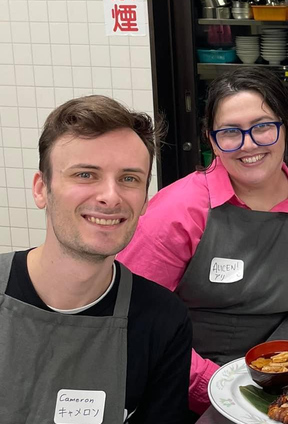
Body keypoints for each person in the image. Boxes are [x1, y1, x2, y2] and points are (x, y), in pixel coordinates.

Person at [118, 66, 288, 414]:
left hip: (281, 387)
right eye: (231, 132)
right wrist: (221, 388)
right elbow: (134, 321)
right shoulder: (178, 210)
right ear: (211, 140)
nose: (249, 144)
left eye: (264, 126)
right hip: (188, 392)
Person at [0, 96, 192, 423]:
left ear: (145, 199)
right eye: (86, 175)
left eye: (129, 178)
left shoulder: (163, 321)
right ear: (41, 189)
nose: (110, 196)